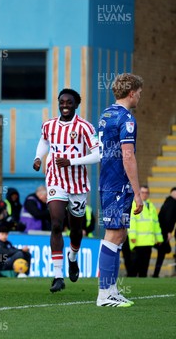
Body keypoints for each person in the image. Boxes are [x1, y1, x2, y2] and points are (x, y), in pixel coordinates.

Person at [33, 88, 100, 293]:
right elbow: (44, 141)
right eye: (62, 102)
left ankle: (73, 256)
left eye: (69, 102)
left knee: (76, 229)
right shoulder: (49, 125)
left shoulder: (85, 127)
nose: (65, 105)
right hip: (55, 181)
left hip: (77, 184)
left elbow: (98, 154)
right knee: (56, 223)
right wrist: (38, 157)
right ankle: (57, 275)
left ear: (76, 104)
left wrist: (72, 161)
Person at [96, 73, 144, 307]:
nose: (140, 96)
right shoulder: (127, 118)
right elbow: (128, 156)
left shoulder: (106, 113)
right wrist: (137, 192)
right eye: (140, 92)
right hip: (117, 184)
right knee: (113, 234)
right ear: (132, 92)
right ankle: (104, 294)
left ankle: (112, 290)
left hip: (109, 182)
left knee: (120, 234)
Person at [127, 185, 162, 277]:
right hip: (137, 241)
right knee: (134, 266)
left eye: (147, 192)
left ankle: (143, 282)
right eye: (142, 192)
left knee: (144, 266)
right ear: (139, 193)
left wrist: (159, 238)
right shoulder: (134, 205)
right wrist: (132, 236)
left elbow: (155, 223)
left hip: (148, 241)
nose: (145, 194)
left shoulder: (151, 206)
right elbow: (132, 221)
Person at [153, 186, 176, 277]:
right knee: (163, 252)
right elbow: (168, 218)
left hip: (162, 230)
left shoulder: (168, 201)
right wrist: (169, 231)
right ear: (172, 193)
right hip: (164, 231)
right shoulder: (172, 203)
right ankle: (155, 274)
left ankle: (156, 274)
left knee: (162, 252)